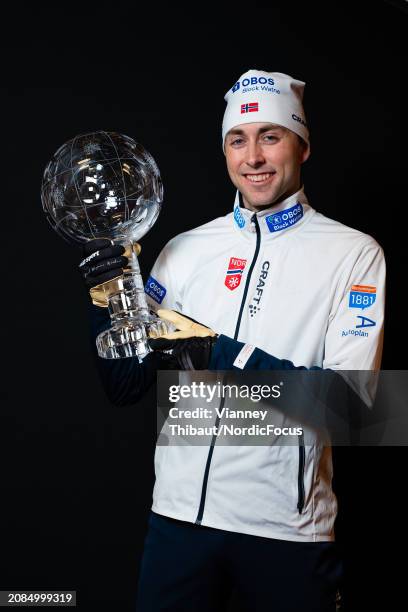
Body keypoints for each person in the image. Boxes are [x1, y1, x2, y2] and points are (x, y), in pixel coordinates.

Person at [79, 69, 385, 611]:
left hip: (285, 534)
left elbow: (355, 410)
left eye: (271, 136)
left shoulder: (354, 254)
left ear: (303, 145)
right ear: (224, 151)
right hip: (177, 523)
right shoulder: (184, 250)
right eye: (237, 140)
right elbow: (125, 385)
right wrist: (108, 302)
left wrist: (217, 352)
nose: (254, 158)